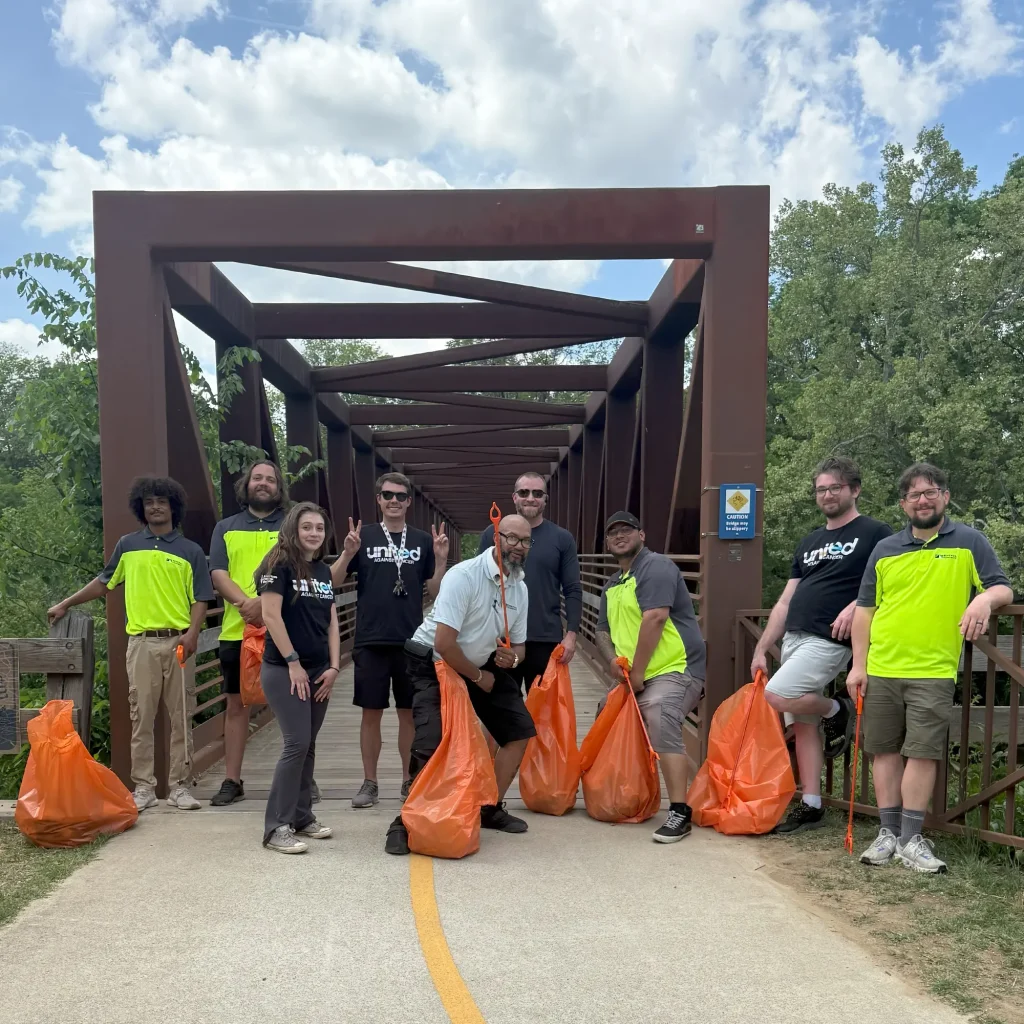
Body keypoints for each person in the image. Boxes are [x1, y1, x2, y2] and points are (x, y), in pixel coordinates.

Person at [850, 463, 1013, 873]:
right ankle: (888, 835)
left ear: (945, 496)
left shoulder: (970, 541)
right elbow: (865, 611)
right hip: (881, 666)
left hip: (933, 670)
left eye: (931, 492)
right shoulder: (885, 548)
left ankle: (910, 840)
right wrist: (858, 666)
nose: (923, 499)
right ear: (903, 504)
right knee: (883, 751)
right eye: (914, 495)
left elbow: (1002, 586)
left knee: (922, 754)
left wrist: (982, 601)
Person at [48, 477, 213, 812]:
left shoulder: (190, 550)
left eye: (162, 502)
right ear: (142, 506)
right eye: (149, 502)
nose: (155, 507)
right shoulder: (128, 545)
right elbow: (104, 583)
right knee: (142, 716)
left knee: (181, 716)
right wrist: (66, 603)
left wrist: (194, 632)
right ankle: (144, 787)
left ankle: (180, 786)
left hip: (178, 640)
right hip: (140, 642)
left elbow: (201, 598)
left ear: (173, 507)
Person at [751, 456, 893, 834]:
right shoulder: (811, 540)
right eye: (821, 489)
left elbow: (888, 583)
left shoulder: (876, 533)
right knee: (802, 723)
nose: (828, 495)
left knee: (778, 694)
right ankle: (811, 803)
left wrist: (855, 607)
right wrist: (763, 645)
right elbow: (784, 599)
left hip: (830, 636)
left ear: (855, 490)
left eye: (835, 487)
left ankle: (838, 708)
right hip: (795, 635)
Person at [384, 514, 537, 856]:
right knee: (431, 740)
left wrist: (512, 659)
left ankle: (487, 806)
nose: (518, 547)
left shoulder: (520, 587)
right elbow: (444, 643)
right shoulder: (463, 576)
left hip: (478, 661)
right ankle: (404, 820)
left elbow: (521, 647)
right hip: (432, 662)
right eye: (510, 538)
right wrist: (480, 678)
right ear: (496, 539)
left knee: (518, 730)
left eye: (525, 541)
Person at [331, 472, 448, 808]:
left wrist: (440, 561)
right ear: (378, 500)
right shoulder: (362, 537)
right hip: (370, 639)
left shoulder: (424, 541)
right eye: (387, 495)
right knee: (371, 713)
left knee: (408, 713)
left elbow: (435, 593)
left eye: (400, 496)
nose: (394, 501)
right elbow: (333, 583)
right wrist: (346, 553)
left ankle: (408, 780)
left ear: (409, 501)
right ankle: (369, 782)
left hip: (411, 640)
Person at [595, 511, 706, 844]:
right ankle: (630, 794)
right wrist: (612, 660)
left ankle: (679, 811)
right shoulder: (612, 584)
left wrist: (639, 673)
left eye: (626, 529)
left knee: (660, 716)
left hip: (675, 668)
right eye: (612, 532)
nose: (619, 535)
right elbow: (601, 631)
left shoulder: (656, 567)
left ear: (642, 535)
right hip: (633, 675)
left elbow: (656, 618)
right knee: (605, 714)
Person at [256, 502, 340, 854]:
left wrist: (335, 667)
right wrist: (292, 662)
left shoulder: (321, 570)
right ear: (294, 529)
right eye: (307, 527)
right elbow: (271, 616)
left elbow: (332, 618)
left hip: (320, 670)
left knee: (308, 746)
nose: (314, 533)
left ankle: (302, 816)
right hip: (284, 670)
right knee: (295, 743)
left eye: (319, 528)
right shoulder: (279, 565)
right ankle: (277, 826)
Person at [207, 460, 288, 807]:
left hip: (286, 628)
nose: (263, 483)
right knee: (236, 705)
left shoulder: (290, 525)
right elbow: (218, 574)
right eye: (258, 478)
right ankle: (231, 779)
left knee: (292, 705)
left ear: (278, 487)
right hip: (237, 631)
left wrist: (265, 605)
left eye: (270, 479)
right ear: (247, 484)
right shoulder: (226, 527)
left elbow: (301, 569)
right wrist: (249, 604)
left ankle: (302, 776)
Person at [478, 471, 582, 691]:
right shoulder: (493, 533)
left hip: (544, 638)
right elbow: (480, 581)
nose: (530, 498)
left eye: (537, 493)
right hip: (501, 639)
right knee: (502, 712)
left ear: (545, 498)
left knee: (544, 714)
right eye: (524, 492)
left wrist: (571, 635)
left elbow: (572, 588)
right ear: (514, 497)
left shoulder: (562, 538)